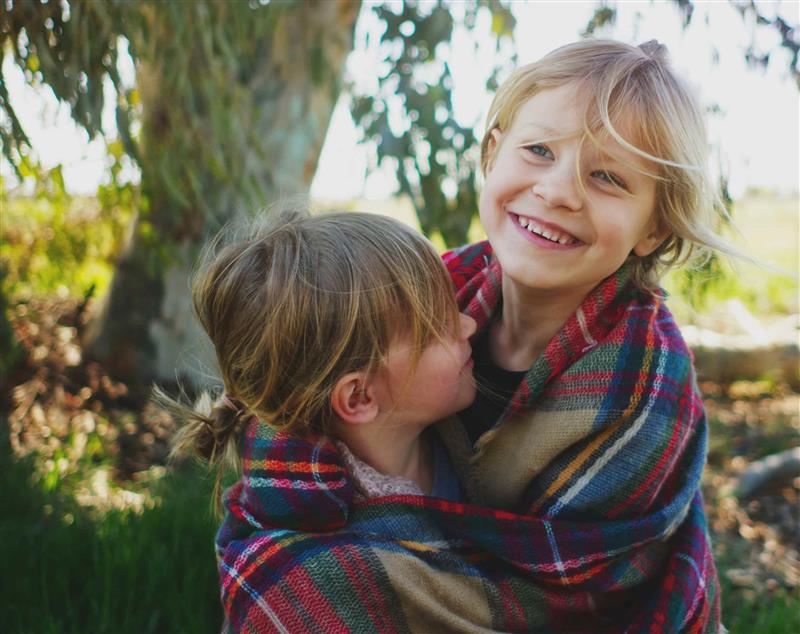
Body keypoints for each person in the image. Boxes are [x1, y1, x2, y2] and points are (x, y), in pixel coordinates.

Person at [215, 39, 727, 633]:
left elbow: (573, 589)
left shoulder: (643, 384)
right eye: (538, 150)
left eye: (608, 177)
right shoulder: (425, 293)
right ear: (493, 152)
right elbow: (294, 401)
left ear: (653, 227)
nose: (559, 191)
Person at [164, 210, 476, 513]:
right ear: (358, 396)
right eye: (438, 328)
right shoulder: (334, 545)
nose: (470, 325)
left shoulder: (455, 442)